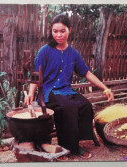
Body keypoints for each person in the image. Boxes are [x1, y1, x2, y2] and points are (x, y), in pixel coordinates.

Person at [25, 13, 114, 160]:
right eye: (55, 31)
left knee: (85, 105)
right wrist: (30, 93)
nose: (58, 35)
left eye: (62, 31)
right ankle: (67, 148)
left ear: (69, 30)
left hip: (66, 91)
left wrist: (105, 88)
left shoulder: (73, 53)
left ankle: (78, 141)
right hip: (49, 92)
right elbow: (35, 75)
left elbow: (86, 73)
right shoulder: (45, 51)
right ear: (51, 31)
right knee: (68, 108)